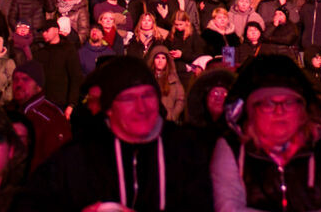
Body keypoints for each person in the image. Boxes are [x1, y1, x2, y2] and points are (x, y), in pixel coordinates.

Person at [20, 56, 213, 212]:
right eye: (129, 99)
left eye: (148, 96)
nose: (142, 108)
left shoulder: (184, 149)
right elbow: (32, 203)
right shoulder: (82, 155)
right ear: (109, 108)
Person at [212, 54, 321, 212]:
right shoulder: (234, 150)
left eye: (288, 102)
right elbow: (228, 207)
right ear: (252, 111)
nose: (279, 111)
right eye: (268, 103)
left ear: (302, 110)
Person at [11, 61, 71, 171]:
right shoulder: (9, 112)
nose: (18, 84)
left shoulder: (50, 117)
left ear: (38, 86)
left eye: (25, 79)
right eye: (15, 79)